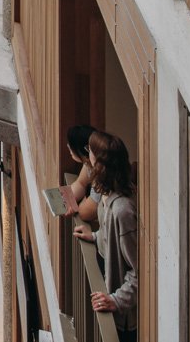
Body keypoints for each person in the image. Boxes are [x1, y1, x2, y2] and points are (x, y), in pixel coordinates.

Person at [76, 131, 137, 335]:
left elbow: (139, 270)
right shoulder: (106, 192)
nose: (87, 156)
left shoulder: (123, 210)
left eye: (89, 151)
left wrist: (117, 300)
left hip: (124, 314)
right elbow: (109, 234)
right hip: (108, 278)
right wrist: (94, 236)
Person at [60, 123, 100, 224]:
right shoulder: (88, 163)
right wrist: (65, 200)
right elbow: (80, 183)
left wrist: (80, 204)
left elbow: (85, 213)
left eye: (71, 145)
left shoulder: (101, 175)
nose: (68, 147)